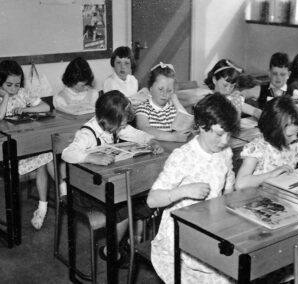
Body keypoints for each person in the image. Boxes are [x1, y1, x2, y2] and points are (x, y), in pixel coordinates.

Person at [147, 93, 240, 284]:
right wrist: (184, 191)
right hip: (179, 233)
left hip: (211, 226)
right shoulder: (183, 156)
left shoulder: (225, 152)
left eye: (229, 134)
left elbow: (228, 186)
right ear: (202, 127)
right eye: (219, 134)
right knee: (222, 270)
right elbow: (152, 199)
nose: (224, 141)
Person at [62, 90, 163, 263]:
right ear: (109, 120)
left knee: (140, 200)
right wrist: (90, 157)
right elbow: (67, 153)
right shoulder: (87, 134)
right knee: (125, 208)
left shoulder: (114, 127)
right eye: (121, 125)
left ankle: (131, 242)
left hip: (106, 187)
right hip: (85, 191)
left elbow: (134, 133)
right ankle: (111, 250)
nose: (123, 128)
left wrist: (150, 141)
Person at [0, 60, 52, 230]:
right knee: (44, 158)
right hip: (4, 150)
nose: (14, 89)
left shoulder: (23, 93)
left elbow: (46, 107)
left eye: (17, 84)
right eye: (9, 85)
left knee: (45, 157)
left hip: (24, 144)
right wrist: (5, 97)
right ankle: (61, 190)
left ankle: (43, 206)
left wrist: (26, 110)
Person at [244, 52, 298, 121]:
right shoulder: (260, 90)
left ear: (288, 74)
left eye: (282, 74)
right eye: (275, 73)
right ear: (269, 73)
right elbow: (236, 97)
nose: (278, 78)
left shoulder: (293, 93)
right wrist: (254, 111)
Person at [135, 62, 192, 142]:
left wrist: (175, 101)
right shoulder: (143, 108)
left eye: (169, 91)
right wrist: (173, 137)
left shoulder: (172, 109)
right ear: (150, 88)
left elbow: (186, 127)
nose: (165, 94)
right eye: (161, 89)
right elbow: (145, 128)